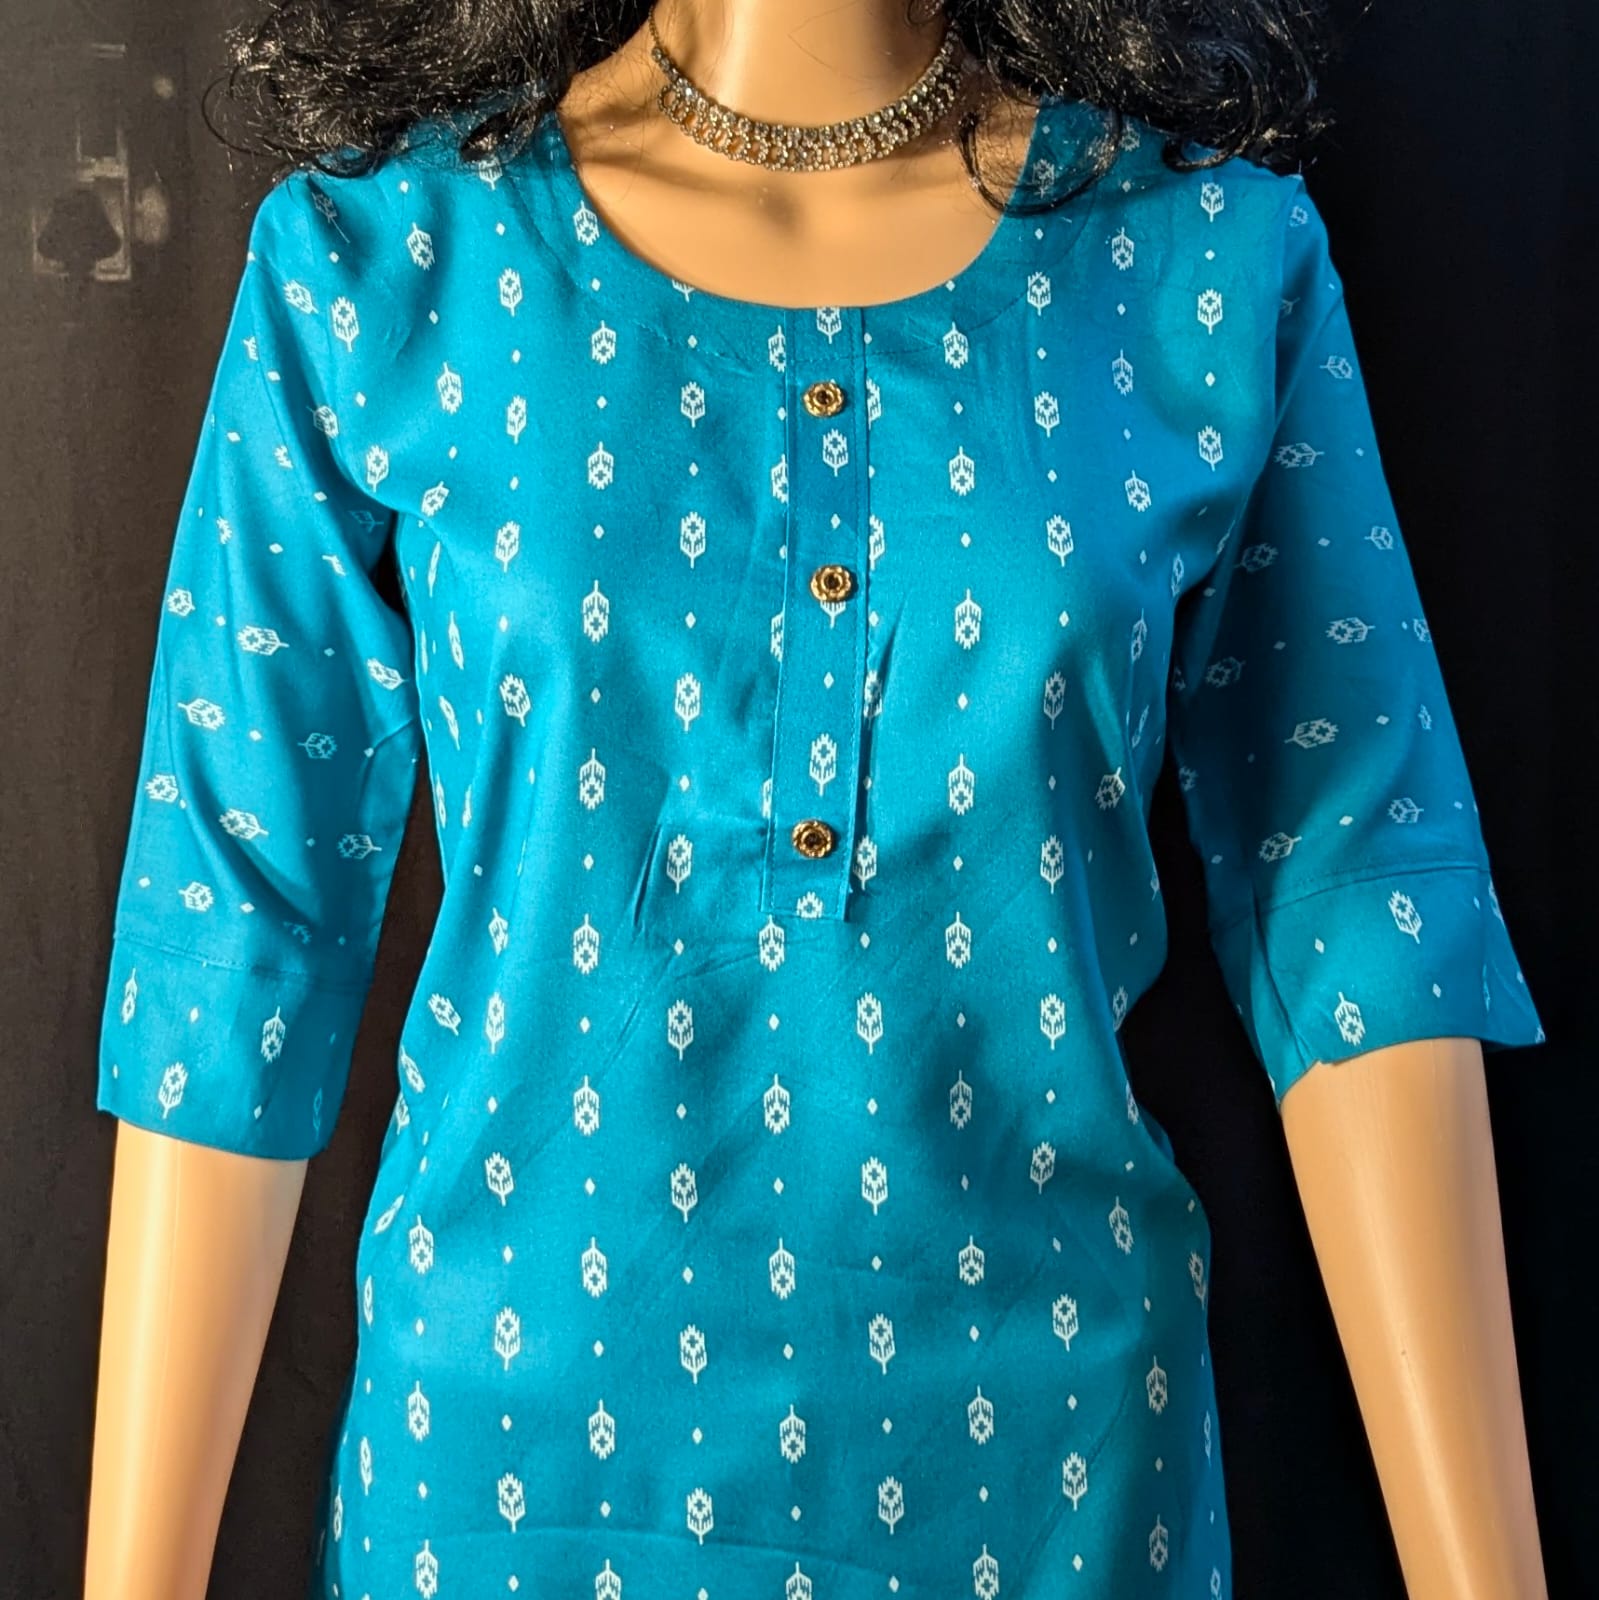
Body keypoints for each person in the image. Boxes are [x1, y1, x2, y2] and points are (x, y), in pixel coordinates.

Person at [84, 0, 1552, 1595]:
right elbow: (235, 935)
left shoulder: (1204, 262)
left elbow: (1361, 900)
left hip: (1051, 1490)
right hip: (507, 1483)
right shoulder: (385, 263)